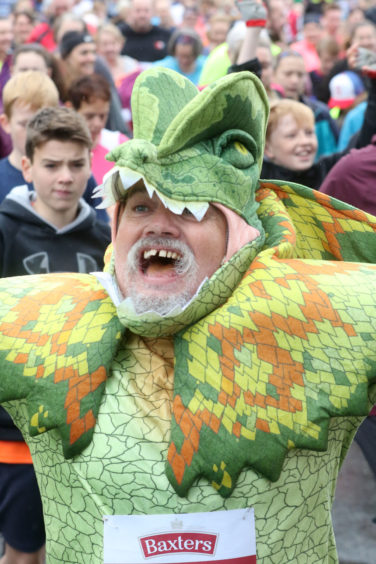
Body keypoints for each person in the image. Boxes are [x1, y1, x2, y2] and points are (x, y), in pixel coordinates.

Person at [0, 66, 376, 564]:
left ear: (236, 234)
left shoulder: (325, 316)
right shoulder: (39, 317)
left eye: (189, 210)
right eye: (139, 208)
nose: (160, 226)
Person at [0, 105, 111, 564]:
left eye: (76, 164)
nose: (65, 176)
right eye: (51, 164)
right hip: (16, 437)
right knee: (25, 553)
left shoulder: (107, 239)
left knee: (78, 552)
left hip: (89, 433)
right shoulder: (4, 232)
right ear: (26, 166)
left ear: (91, 164)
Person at [0, 71, 59, 202]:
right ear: (6, 123)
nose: (35, 132)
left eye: (44, 122)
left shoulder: (72, 175)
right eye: (25, 124)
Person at [66, 73, 128, 184]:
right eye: (89, 116)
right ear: (71, 110)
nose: (98, 123)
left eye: (103, 116)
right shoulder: (59, 147)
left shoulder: (119, 145)